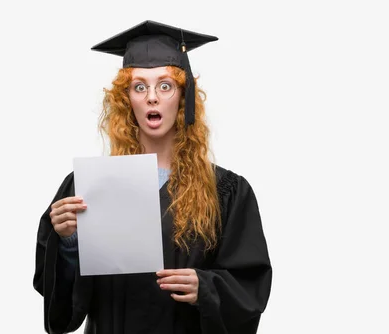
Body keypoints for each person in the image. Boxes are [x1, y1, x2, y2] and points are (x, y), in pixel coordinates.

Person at [33, 20, 272, 334]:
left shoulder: (225, 192)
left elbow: (250, 286)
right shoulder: (88, 187)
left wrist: (206, 287)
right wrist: (68, 242)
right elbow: (61, 304)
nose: (152, 97)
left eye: (165, 85)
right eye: (139, 86)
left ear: (183, 97)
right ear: (126, 99)